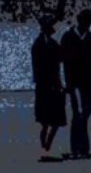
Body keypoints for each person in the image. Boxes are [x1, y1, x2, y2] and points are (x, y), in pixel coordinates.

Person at [59, 9, 91, 160]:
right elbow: (61, 59)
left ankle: (80, 148)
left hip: (87, 83)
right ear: (79, 21)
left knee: (84, 113)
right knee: (78, 114)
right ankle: (79, 148)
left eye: (88, 22)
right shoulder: (68, 37)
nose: (86, 25)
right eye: (85, 21)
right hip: (74, 83)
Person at [31, 15, 66, 159]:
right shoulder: (40, 45)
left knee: (53, 121)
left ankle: (46, 147)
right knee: (47, 121)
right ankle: (45, 148)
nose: (53, 28)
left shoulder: (49, 43)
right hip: (46, 85)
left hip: (50, 85)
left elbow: (61, 57)